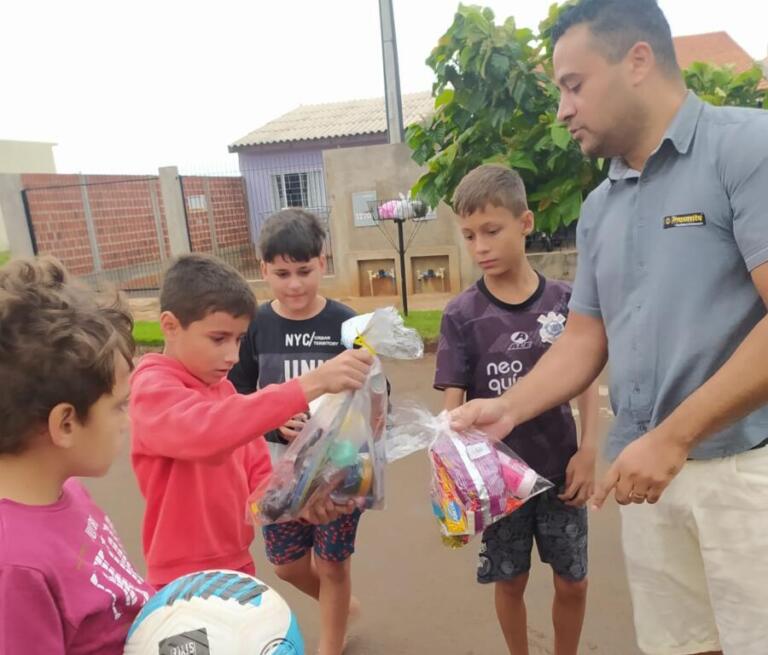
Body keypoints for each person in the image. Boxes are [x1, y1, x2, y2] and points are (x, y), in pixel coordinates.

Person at [451, 1, 768, 653]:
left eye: (574, 85)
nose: (562, 109)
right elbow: (583, 339)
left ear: (638, 61)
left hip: (743, 470)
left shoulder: (746, 149)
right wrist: (507, 409)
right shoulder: (600, 205)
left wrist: (674, 435)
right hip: (647, 473)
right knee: (680, 646)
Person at [129, 253, 372, 590]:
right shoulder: (152, 389)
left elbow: (258, 474)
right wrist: (309, 384)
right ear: (170, 326)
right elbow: (208, 432)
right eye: (219, 339)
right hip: (181, 577)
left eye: (239, 339)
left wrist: (301, 502)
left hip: (237, 563)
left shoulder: (222, 389)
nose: (232, 355)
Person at [435, 165, 599, 655]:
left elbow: (586, 378)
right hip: (498, 483)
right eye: (469, 235)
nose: (480, 246)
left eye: (491, 230)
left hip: (561, 471)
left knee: (573, 581)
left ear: (525, 222)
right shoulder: (461, 315)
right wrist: (454, 482)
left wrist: (589, 450)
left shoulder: (566, 300)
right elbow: (452, 409)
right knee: (510, 582)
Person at [0, 257, 154, 653]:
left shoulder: (67, 488)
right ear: (65, 423)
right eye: (119, 406)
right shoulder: (14, 569)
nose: (127, 421)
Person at [229, 209, 363, 655]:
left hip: (338, 471)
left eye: (304, 271)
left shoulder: (347, 324)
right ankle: (340, 606)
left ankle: (331, 642)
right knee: (286, 566)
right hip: (276, 472)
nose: (294, 284)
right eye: (282, 273)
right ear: (263, 269)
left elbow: (375, 397)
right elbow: (236, 394)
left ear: (322, 262)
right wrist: (272, 420)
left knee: (333, 565)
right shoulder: (255, 326)